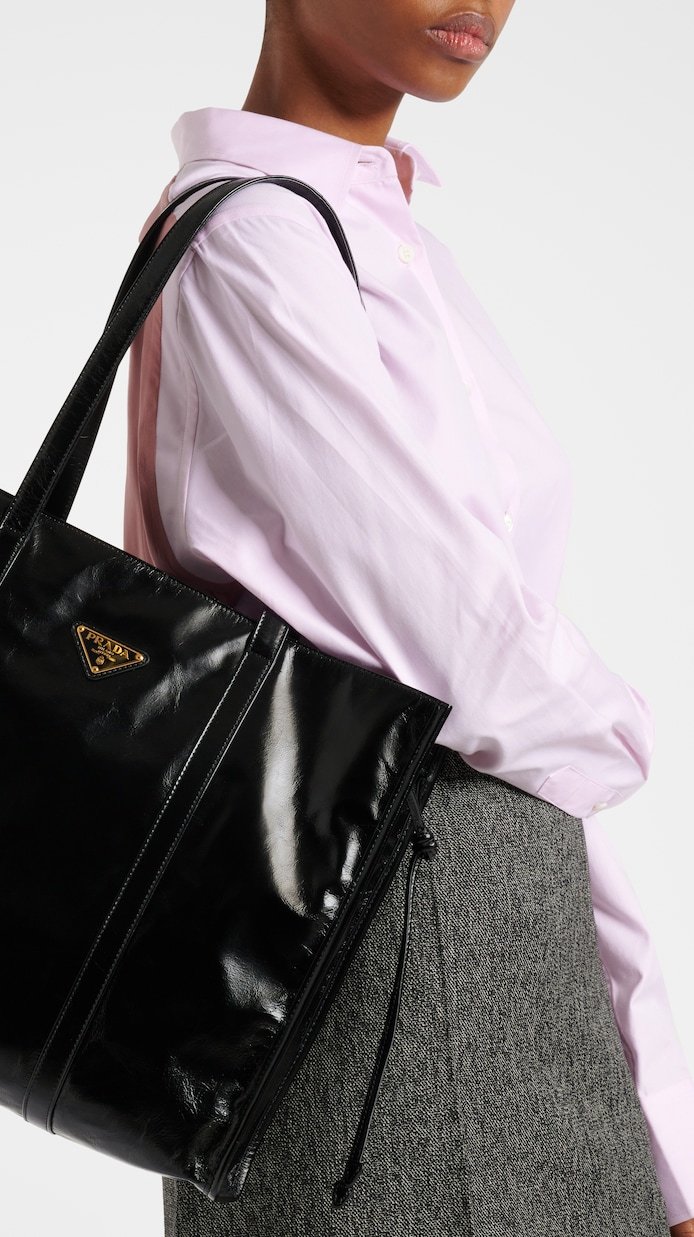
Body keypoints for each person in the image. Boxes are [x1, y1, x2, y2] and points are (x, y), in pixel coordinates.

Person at [122, 2, 694, 1233]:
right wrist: (616, 732)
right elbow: (466, 655)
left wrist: (655, 1112)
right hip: (371, 972)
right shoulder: (253, 237)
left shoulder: (373, 234)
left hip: (469, 950)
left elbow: (495, 713)